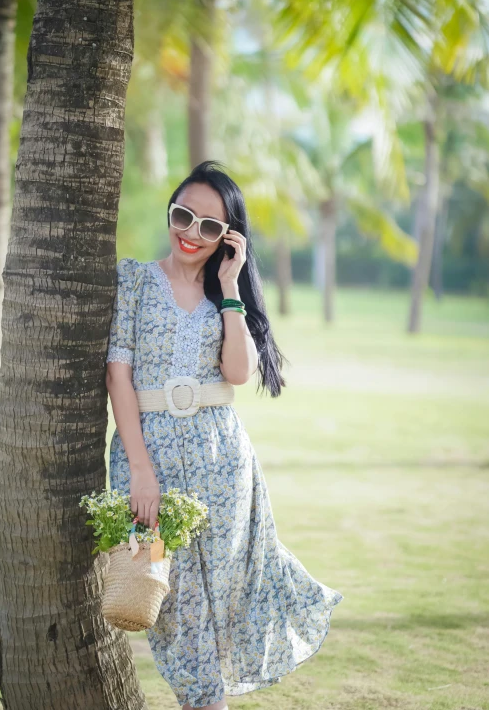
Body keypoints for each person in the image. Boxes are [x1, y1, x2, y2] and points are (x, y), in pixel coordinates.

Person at [105, 160, 343, 710]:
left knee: (229, 601)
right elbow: (119, 374)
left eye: (210, 226)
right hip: (150, 459)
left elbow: (237, 373)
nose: (192, 233)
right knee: (177, 601)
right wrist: (140, 469)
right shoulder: (135, 280)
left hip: (223, 462)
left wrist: (232, 286)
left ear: (228, 237)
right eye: (184, 216)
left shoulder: (224, 298)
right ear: (171, 212)